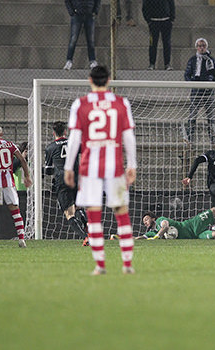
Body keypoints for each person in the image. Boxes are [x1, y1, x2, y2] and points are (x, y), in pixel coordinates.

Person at [64, 65, 138, 275]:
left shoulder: (81, 104)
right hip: (114, 167)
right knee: (121, 213)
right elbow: (128, 137)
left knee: (93, 215)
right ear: (109, 80)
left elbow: (75, 139)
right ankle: (127, 264)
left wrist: (69, 167)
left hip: (90, 169)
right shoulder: (121, 103)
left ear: (90, 80)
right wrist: (132, 165)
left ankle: (100, 265)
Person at [44, 121, 89, 245]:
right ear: (65, 131)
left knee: (69, 213)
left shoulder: (50, 147)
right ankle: (87, 224)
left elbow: (48, 171)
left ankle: (85, 237)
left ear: (53, 133)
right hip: (76, 177)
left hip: (62, 179)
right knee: (78, 206)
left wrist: (58, 169)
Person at [183, 38, 215, 144]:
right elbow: (187, 74)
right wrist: (192, 84)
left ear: (206, 47)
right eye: (199, 46)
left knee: (210, 116)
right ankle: (190, 138)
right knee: (192, 115)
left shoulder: (211, 60)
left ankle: (213, 139)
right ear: (196, 47)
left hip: (208, 91)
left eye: (203, 46)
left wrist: (213, 85)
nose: (201, 48)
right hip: (196, 91)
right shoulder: (193, 60)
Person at [138, 207, 215, 240]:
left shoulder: (159, 220)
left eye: (146, 219)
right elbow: (140, 238)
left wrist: (158, 236)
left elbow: (165, 226)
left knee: (214, 210)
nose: (145, 222)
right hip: (195, 237)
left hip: (191, 225)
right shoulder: (153, 233)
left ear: (153, 218)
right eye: (144, 222)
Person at [64, 0, 101, 70]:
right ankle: (69, 60)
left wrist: (95, 11)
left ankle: (92, 61)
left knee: (91, 40)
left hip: (89, 14)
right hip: (77, 14)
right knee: (73, 39)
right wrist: (72, 12)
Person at [142, 0, 175, 70]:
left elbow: (172, 4)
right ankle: (152, 64)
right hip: (153, 21)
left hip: (166, 21)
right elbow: (144, 6)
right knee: (152, 44)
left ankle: (167, 64)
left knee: (167, 43)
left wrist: (172, 19)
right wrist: (148, 20)